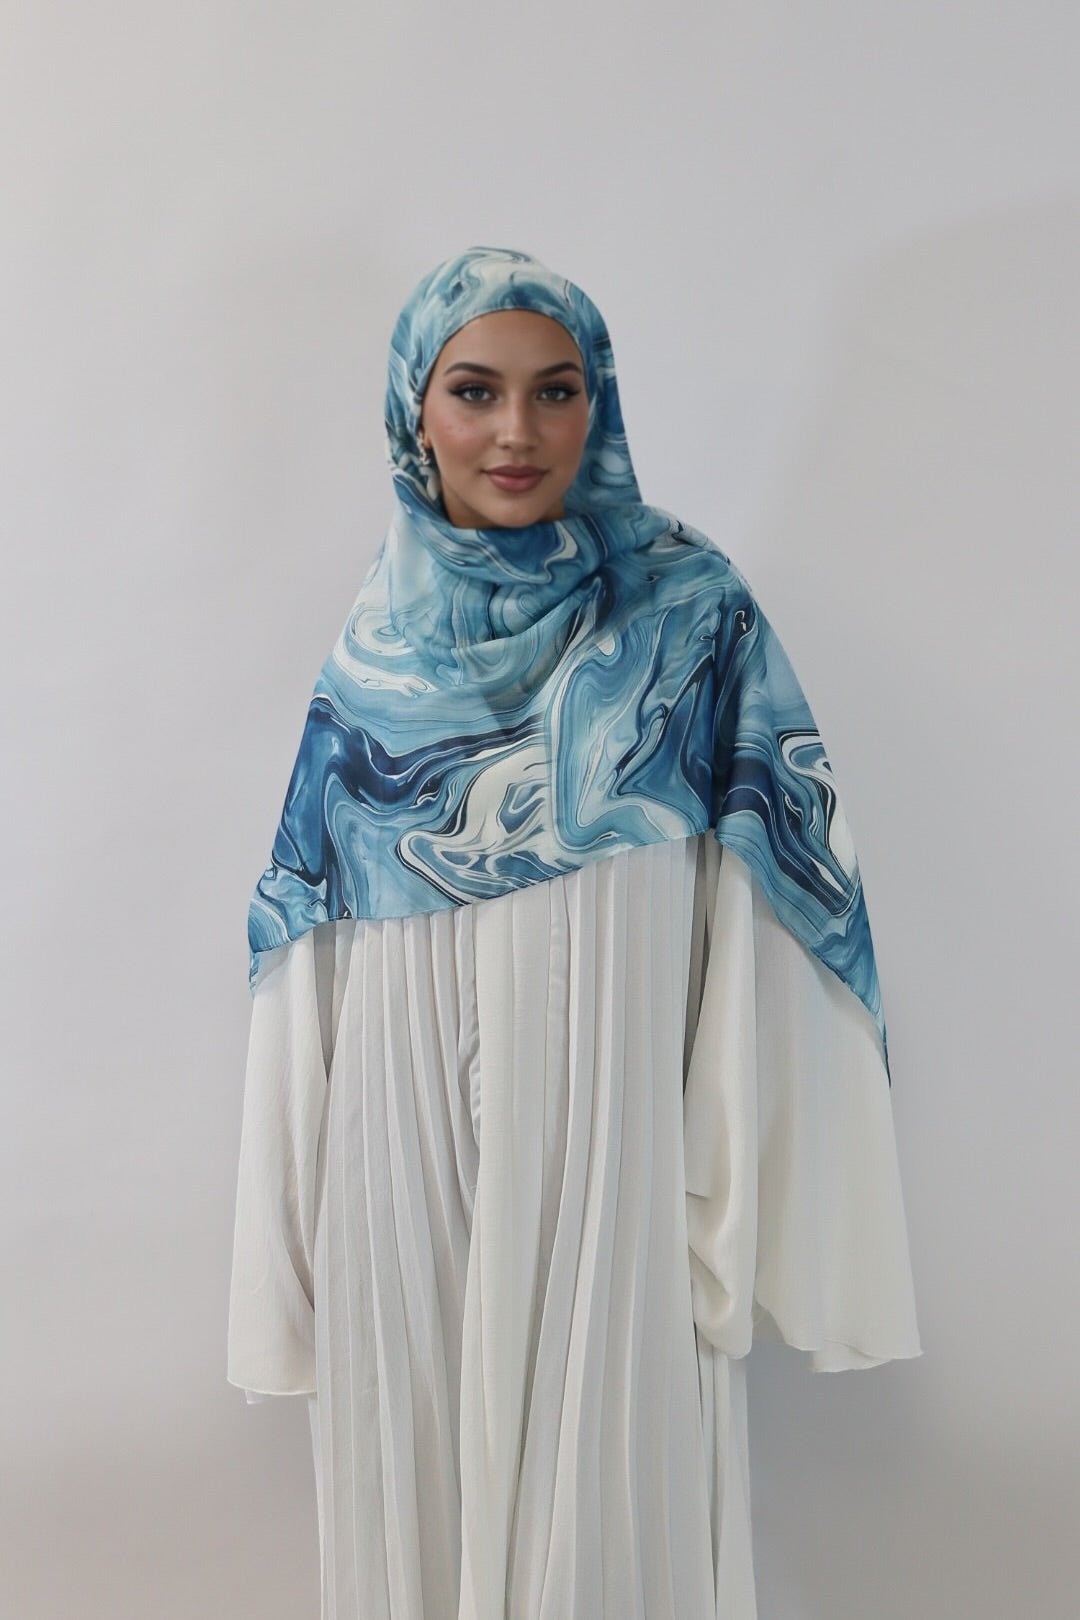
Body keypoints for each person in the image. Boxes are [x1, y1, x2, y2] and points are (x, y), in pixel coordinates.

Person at [228, 246, 921, 1620]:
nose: (516, 432)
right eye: (474, 390)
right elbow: (307, 955)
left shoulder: (692, 618)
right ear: (415, 412)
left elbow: (770, 908)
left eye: (556, 391)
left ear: (597, 403)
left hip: (617, 1142)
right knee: (421, 1469)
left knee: (616, 1488)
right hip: (404, 1150)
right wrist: (290, 1248)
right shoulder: (374, 653)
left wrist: (721, 1180)